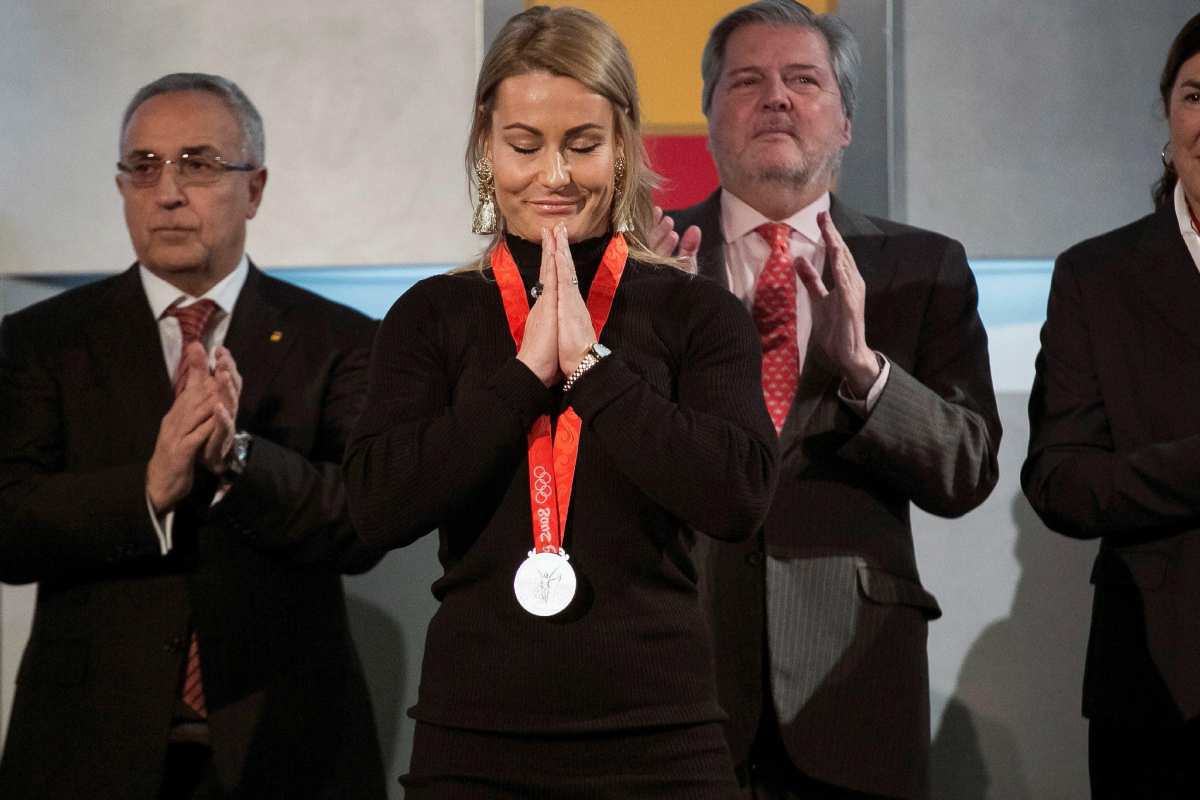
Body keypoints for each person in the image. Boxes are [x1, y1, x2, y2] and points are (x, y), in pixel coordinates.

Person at [342, 6, 778, 797]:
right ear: (484, 146)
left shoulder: (695, 311)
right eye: (524, 145)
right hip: (475, 745)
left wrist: (591, 365)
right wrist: (520, 376)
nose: (554, 175)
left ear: (622, 147)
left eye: (583, 145)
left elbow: (737, 495)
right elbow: (376, 507)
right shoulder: (431, 313)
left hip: (662, 742)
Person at [0, 73, 387, 799]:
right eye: (143, 166)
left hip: (285, 745)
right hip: (88, 751)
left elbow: (360, 524)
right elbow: (9, 524)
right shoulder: (41, 341)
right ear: (121, 187)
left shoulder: (341, 340)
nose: (168, 191)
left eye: (199, 164)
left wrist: (239, 458)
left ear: (256, 188)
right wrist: (149, 487)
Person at [657, 2, 1002, 797]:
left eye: (803, 80)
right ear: (709, 115)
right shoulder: (650, 263)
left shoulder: (924, 267)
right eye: (747, 81)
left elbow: (968, 468)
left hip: (855, 681)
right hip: (679, 684)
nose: (775, 98)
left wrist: (864, 371)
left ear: (846, 121)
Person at [1021, 14, 1200, 798]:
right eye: (1198, 96)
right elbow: (1060, 481)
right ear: (1168, 112)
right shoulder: (1098, 278)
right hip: (1160, 687)